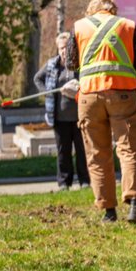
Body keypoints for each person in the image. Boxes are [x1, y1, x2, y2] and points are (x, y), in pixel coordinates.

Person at [66, 0, 136, 224]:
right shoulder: (127, 26)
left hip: (89, 97)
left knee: (97, 153)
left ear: (90, 10)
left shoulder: (78, 27)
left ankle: (108, 212)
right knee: (129, 150)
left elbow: (70, 63)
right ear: (113, 9)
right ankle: (135, 205)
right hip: (123, 94)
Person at [33, 32, 88, 191]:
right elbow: (38, 79)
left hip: (79, 116)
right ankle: (64, 182)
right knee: (63, 151)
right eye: (61, 48)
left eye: (67, 47)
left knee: (81, 150)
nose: (64, 51)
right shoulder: (52, 65)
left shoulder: (80, 65)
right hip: (59, 118)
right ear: (58, 49)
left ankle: (85, 180)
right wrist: (49, 92)